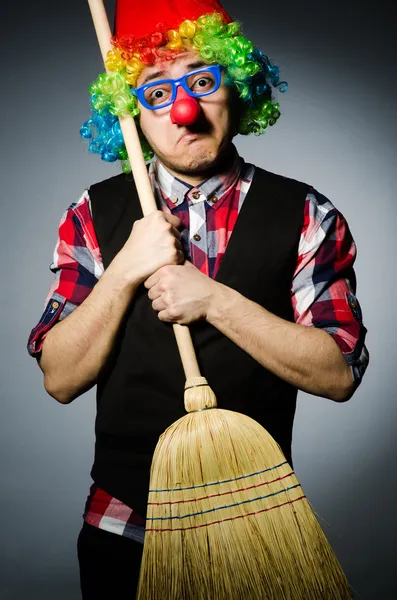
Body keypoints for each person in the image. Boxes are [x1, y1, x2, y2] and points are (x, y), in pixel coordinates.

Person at [27, 0, 369, 597]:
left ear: (236, 89)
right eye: (156, 92)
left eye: (202, 81)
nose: (184, 110)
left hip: (254, 526)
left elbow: (338, 373)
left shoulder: (306, 214)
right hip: (125, 528)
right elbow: (59, 378)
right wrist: (124, 270)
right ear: (131, 113)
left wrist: (214, 300)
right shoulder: (93, 214)